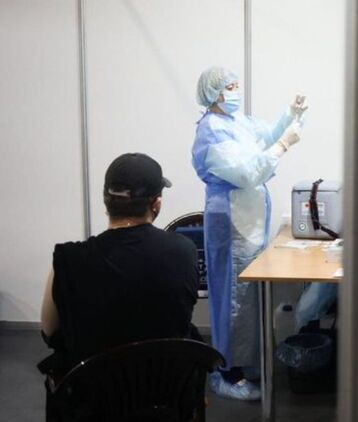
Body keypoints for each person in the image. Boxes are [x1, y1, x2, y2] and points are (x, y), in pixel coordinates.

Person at [39, 153, 199, 420]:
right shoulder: (184, 251)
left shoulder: (68, 260)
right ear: (156, 204)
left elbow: (48, 330)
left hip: (93, 403)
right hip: (165, 398)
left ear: (106, 201)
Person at [192, 66, 307, 400]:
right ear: (213, 93)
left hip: (248, 220)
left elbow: (264, 138)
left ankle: (248, 362)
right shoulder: (211, 132)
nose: (235, 91)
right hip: (230, 220)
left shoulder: (234, 121)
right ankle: (227, 373)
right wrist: (284, 145)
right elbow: (245, 173)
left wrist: (291, 116)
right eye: (229, 87)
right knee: (234, 298)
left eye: (236, 84)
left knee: (249, 297)